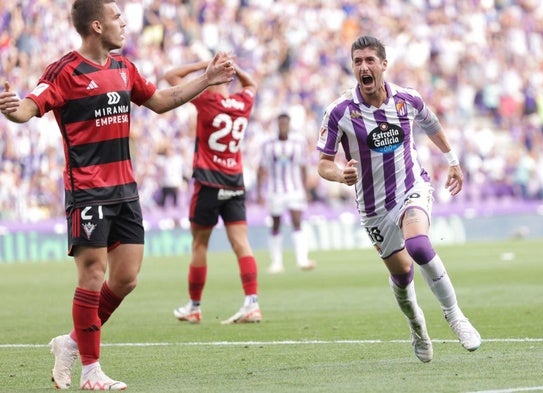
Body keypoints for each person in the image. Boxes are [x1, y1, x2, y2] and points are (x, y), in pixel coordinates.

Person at [0, 0, 235, 390]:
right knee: (93, 274)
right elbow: (29, 106)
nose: (123, 23)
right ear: (96, 26)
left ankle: (71, 343)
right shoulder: (65, 71)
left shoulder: (125, 70)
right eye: (116, 17)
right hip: (87, 190)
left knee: (125, 279)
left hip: (125, 190)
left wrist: (206, 79)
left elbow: (160, 102)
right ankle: (91, 371)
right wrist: (11, 110)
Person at [316, 35, 481, 363]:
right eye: (357, 62)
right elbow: (322, 163)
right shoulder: (339, 112)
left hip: (411, 188)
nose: (364, 67)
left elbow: (431, 124)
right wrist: (340, 174)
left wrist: (453, 162)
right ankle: (417, 325)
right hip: (374, 208)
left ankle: (455, 316)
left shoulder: (407, 100)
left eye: (369, 61)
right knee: (402, 277)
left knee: (419, 246)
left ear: (383, 65)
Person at [164, 59, 262, 325]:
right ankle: (252, 303)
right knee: (242, 244)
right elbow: (251, 83)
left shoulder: (205, 100)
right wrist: (236, 67)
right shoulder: (243, 102)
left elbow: (171, 75)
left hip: (208, 183)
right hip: (234, 182)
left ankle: (194, 307)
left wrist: (206, 65)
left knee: (199, 244)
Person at [257, 112, 315, 273]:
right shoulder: (268, 144)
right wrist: (259, 192)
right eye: (280, 123)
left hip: (294, 189)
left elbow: (303, 166)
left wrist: (305, 189)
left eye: (285, 123)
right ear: (277, 124)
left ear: (289, 124)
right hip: (275, 190)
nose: (283, 126)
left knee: (297, 221)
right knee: (276, 224)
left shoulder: (298, 143)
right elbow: (261, 168)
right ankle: (276, 262)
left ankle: (302, 259)